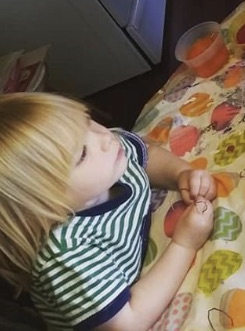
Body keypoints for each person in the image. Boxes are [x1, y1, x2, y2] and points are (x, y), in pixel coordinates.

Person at [0, 93, 216, 330]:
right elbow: (127, 322)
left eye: (87, 121)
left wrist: (180, 173)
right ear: (44, 203)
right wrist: (184, 244)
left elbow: (146, 155)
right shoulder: (65, 256)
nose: (105, 136)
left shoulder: (109, 156)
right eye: (82, 153)